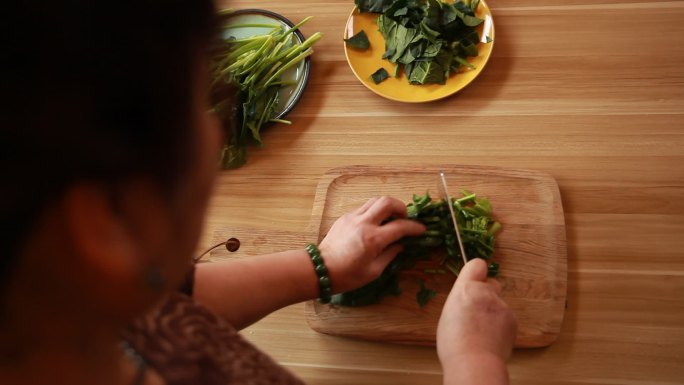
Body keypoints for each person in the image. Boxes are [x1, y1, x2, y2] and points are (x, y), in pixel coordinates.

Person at [0, 1, 517, 384]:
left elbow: (165, 308)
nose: (216, 132)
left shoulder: (58, 301)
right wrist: (476, 363)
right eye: (208, 101)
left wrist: (321, 267)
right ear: (110, 221)